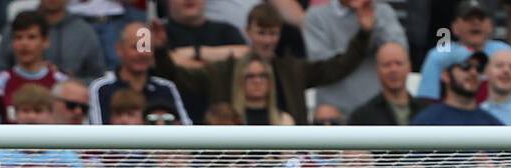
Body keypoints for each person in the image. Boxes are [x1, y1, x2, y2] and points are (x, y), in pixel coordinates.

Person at [153, 3, 376, 127]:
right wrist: (160, 49)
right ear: (247, 32)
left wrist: (364, 34)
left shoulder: (293, 70)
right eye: (261, 33)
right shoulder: (222, 71)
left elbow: (337, 67)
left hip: (286, 161)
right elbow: (173, 75)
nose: (267, 40)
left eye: (273, 33)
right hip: (232, 162)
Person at [304, 0, 406, 117]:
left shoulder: (383, 12)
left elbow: (399, 54)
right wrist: (363, 36)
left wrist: (374, 25)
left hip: (376, 113)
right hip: (335, 115)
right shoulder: (316, 16)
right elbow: (323, 68)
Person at [416, 1, 511, 104]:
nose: (476, 23)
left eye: (481, 18)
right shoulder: (439, 55)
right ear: (455, 27)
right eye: (468, 19)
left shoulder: (504, 52)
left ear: (491, 26)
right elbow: (427, 101)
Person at [88, 21, 191, 125]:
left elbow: (186, 130)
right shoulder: (102, 88)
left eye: (147, 47)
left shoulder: (166, 88)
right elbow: (98, 131)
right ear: (119, 49)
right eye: (135, 47)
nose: (142, 53)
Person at [0, 11, 69, 124]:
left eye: (31, 37)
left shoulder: (62, 84)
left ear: (46, 41)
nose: (24, 43)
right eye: (18, 37)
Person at [0, 0, 106, 81]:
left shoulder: (84, 32)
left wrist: (69, 82)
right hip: (20, 100)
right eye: (19, 38)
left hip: (68, 104)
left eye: (31, 37)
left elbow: (98, 78)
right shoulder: (17, 26)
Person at [410, 48, 504, 126]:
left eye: (479, 68)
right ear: (446, 75)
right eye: (465, 66)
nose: (473, 73)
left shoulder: (492, 124)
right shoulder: (426, 121)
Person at [348, 42, 433, 125]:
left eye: (399, 63)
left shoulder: (428, 112)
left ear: (409, 67)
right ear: (377, 70)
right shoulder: (362, 118)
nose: (393, 70)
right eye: (387, 65)